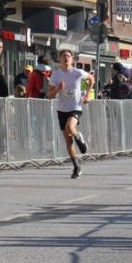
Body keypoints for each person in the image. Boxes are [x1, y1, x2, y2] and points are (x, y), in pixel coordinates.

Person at [48, 49, 94, 179]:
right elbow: (49, 96)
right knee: (68, 141)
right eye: (63, 56)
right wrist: (58, 89)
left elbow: (91, 79)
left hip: (76, 107)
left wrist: (87, 95)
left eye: (68, 56)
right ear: (59, 59)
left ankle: (79, 137)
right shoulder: (55, 75)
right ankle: (76, 167)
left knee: (70, 127)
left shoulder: (78, 72)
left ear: (72, 59)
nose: (66, 58)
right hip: (62, 109)